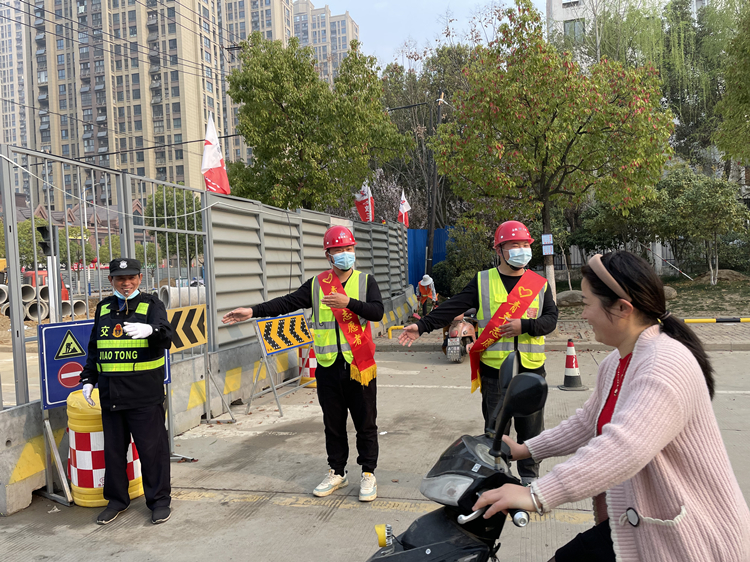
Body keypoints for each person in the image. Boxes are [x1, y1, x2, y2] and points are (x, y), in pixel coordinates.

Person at [473, 251, 750, 562]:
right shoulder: (616, 362)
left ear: (622, 308)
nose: (584, 315)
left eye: (587, 303)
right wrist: (526, 449)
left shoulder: (664, 364)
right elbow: (586, 423)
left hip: (689, 538)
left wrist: (535, 494)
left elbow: (625, 447)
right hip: (641, 523)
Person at [222, 225, 384, 501]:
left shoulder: (366, 281)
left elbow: (377, 312)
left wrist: (348, 302)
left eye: (349, 249)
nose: (345, 254)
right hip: (328, 367)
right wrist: (252, 311)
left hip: (359, 366)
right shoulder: (317, 284)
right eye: (339, 250)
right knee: (333, 424)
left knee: (365, 422)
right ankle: (337, 471)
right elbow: (287, 303)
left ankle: (368, 473)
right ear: (328, 255)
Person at [399, 220, 558, 485]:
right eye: (514, 245)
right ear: (499, 250)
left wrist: (525, 326)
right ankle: (499, 477)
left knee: (532, 431)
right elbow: (454, 306)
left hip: (531, 370)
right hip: (495, 373)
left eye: (525, 245)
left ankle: (530, 478)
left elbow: (551, 320)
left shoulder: (539, 284)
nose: (521, 250)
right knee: (495, 431)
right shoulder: (484, 280)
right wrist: (423, 325)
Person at [79, 258, 174, 525]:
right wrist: (88, 378)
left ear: (140, 278)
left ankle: (159, 501)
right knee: (113, 452)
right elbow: (95, 347)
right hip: (111, 394)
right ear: (111, 280)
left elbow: (167, 336)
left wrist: (151, 330)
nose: (126, 283)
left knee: (152, 452)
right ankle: (117, 501)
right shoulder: (104, 307)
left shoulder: (152, 305)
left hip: (144, 394)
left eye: (131, 277)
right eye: (120, 278)